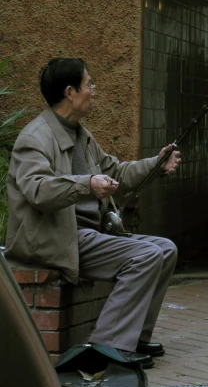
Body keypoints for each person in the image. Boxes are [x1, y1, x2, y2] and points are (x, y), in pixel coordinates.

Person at [5, 58, 181, 368]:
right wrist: (86, 184)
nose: (94, 92)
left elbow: (117, 172)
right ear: (70, 92)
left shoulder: (81, 135)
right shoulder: (34, 139)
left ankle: (134, 338)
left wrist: (157, 163)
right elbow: (38, 190)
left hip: (85, 235)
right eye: (90, 85)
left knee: (165, 249)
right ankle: (106, 348)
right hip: (54, 239)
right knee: (146, 255)